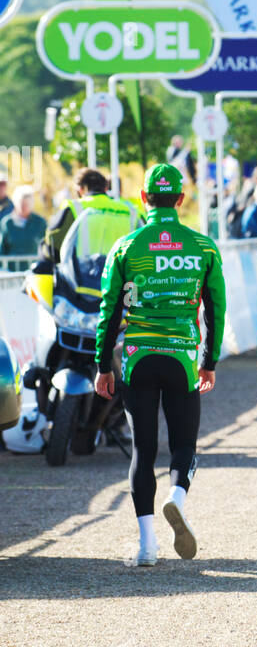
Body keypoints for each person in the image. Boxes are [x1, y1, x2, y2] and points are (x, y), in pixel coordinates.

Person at [94, 163, 226, 565]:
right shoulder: (203, 247)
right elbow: (215, 307)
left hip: (138, 361)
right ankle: (177, 497)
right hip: (183, 358)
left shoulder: (127, 246)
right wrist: (209, 361)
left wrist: (103, 365)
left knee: (143, 451)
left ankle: (146, 546)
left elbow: (109, 312)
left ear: (144, 199)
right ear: (182, 200)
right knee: (184, 444)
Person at [33, 167, 141, 275]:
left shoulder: (75, 208)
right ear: (106, 187)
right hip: (122, 281)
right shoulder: (131, 211)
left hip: (85, 281)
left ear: (80, 189)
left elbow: (53, 245)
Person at [0, 186, 47, 271]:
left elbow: (46, 246)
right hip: (12, 274)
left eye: (27, 204)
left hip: (35, 272)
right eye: (21, 204)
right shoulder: (7, 223)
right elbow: (2, 249)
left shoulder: (40, 223)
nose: (24, 207)